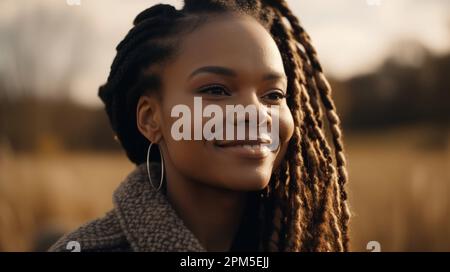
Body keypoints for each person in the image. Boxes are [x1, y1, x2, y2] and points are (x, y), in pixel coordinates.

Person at [49, 0, 351, 252]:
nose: (255, 113)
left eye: (273, 94)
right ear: (151, 119)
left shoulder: (307, 242)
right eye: (216, 90)